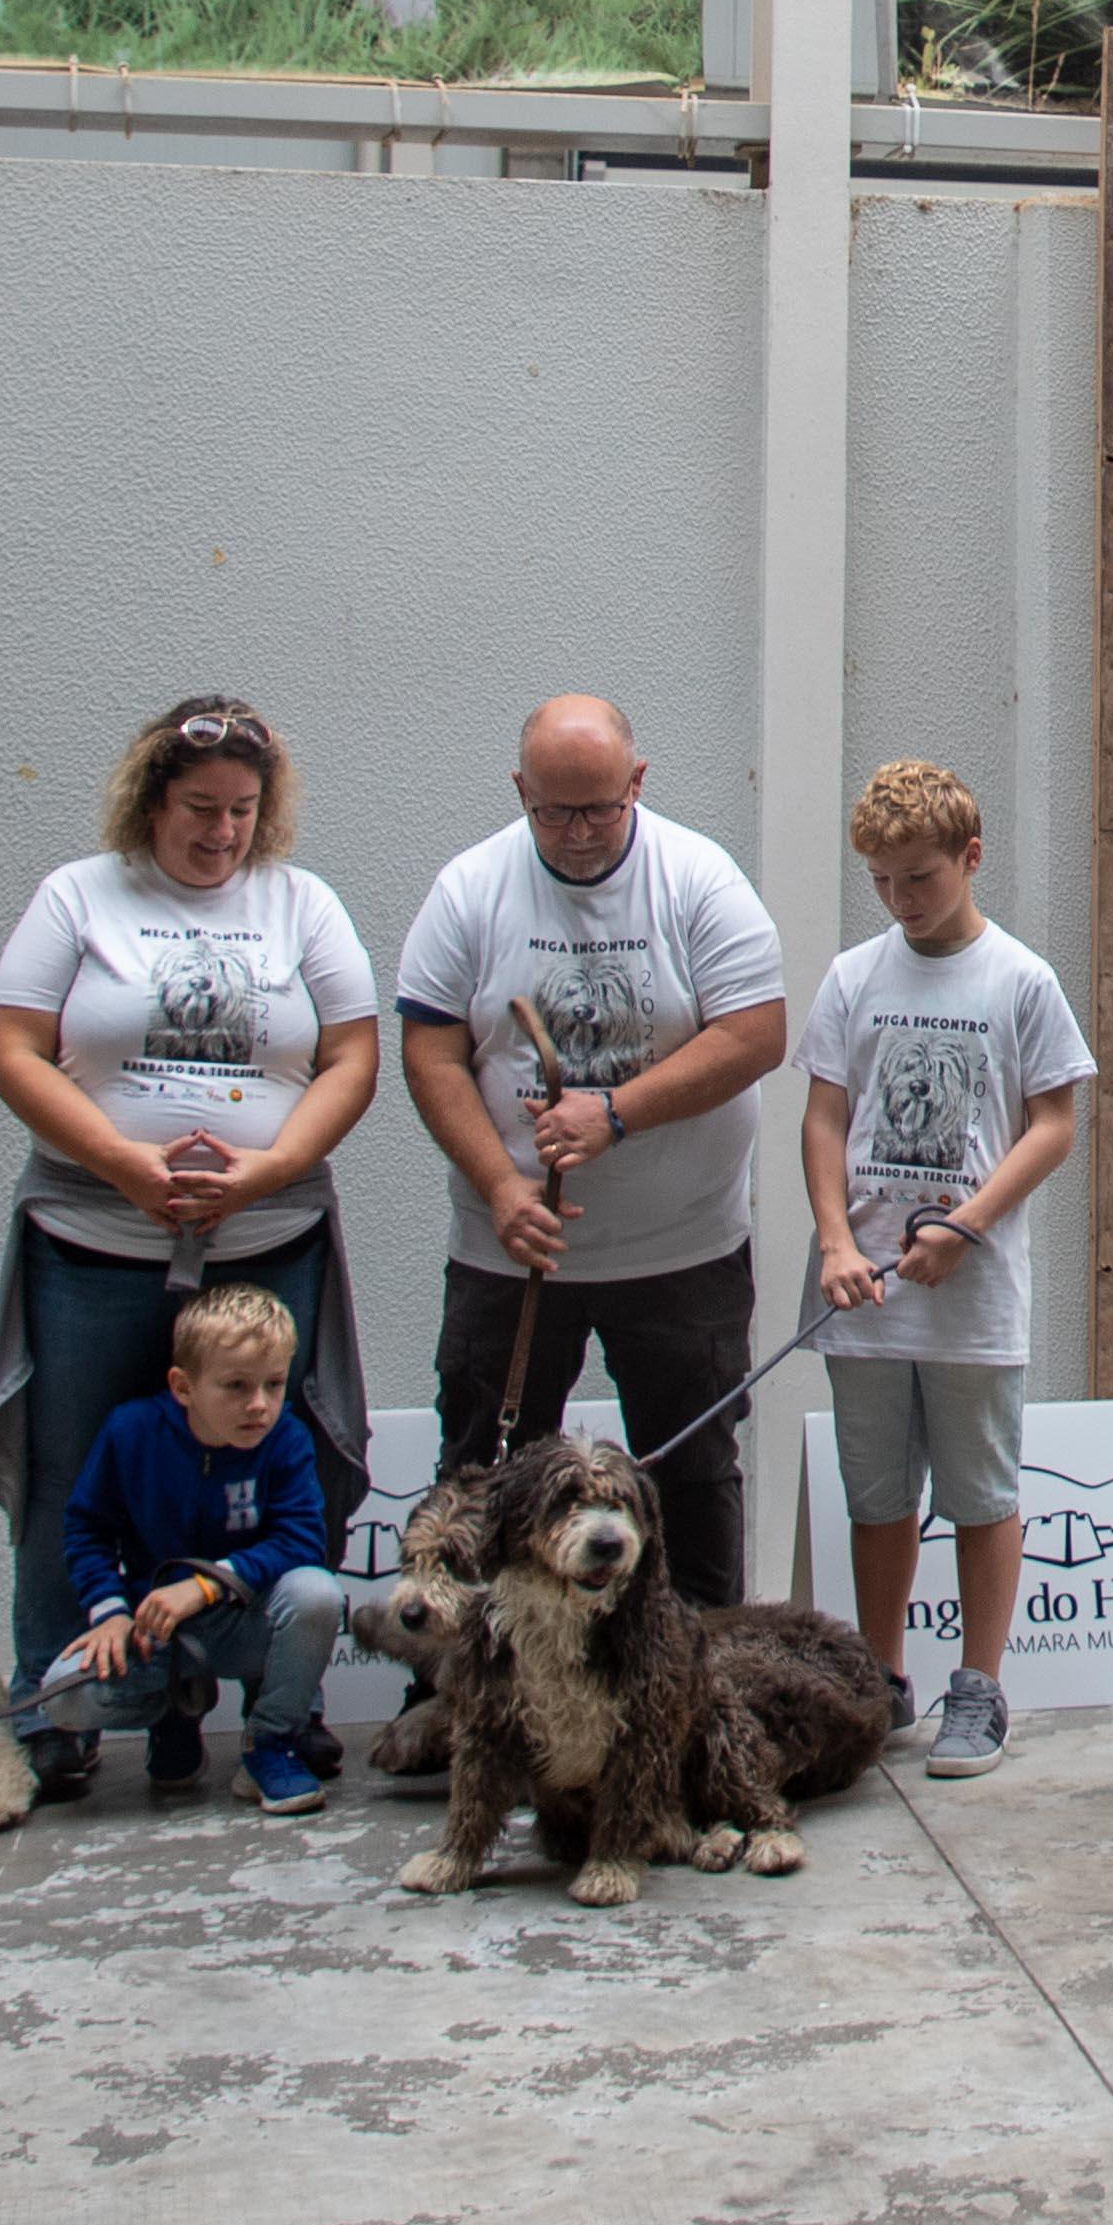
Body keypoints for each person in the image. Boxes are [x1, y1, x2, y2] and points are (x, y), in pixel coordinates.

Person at [0, 696, 379, 1802]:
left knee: (274, 1455)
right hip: (96, 1237)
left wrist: (268, 1167)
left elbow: (351, 1054)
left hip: (266, 1235)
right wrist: (120, 1163)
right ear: (151, 799)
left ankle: (279, 1711)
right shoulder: (79, 894)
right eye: (200, 808)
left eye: (244, 810)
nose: (222, 832)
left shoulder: (301, 903)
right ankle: (56, 1707)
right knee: (71, 1474)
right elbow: (13, 1048)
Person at [393, 695, 789, 1624]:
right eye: (553, 812)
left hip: (683, 1246)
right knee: (491, 1470)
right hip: (515, 1250)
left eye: (600, 809)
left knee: (688, 1466)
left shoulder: (698, 879)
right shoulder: (471, 888)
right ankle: (475, 1682)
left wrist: (616, 1113)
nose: (576, 834)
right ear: (520, 792)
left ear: (637, 784)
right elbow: (430, 1049)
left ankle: (699, 1667)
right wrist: (500, 1183)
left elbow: (756, 1033)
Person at [799, 760, 1091, 1780]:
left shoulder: (1020, 979)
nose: (899, 899)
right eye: (880, 880)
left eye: (918, 877)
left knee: (981, 1488)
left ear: (970, 858)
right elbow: (826, 1113)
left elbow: (1052, 1123)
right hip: (865, 1292)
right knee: (878, 1491)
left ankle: (981, 1681)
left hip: (972, 1295)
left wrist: (966, 1223)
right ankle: (880, 1676)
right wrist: (837, 1239)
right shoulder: (853, 976)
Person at [41, 1284, 346, 1810]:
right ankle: (173, 1716)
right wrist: (110, 1612)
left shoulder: (286, 1438)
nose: (260, 1405)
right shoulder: (131, 1432)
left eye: (274, 1385)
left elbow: (302, 1540)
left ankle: (271, 1743)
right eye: (236, 1386)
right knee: (63, 1694)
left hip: (240, 1620)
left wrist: (207, 1586)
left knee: (317, 1595)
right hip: (152, 1631)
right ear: (183, 1387)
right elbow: (86, 1528)